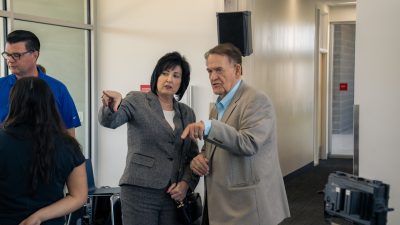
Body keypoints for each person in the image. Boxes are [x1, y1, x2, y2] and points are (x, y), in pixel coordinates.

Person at [182, 43, 290, 225]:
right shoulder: (217, 107)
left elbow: (248, 143)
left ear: (237, 69)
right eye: (209, 71)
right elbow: (214, 148)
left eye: (218, 70)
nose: (213, 77)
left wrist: (208, 127)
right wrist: (199, 159)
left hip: (248, 208)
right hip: (222, 205)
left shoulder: (256, 100)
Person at [98, 52, 199, 225]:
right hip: (139, 190)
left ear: (182, 82)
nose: (169, 79)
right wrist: (111, 106)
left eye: (176, 76)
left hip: (173, 195)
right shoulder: (137, 100)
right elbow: (111, 121)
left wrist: (185, 184)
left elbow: (192, 156)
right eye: (165, 73)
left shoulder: (187, 112)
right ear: (156, 75)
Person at [0, 77, 88, 225]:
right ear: (49, 103)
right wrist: (39, 217)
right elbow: (79, 196)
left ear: (13, 103)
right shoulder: (68, 146)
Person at [0, 30, 81, 137]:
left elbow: (69, 132)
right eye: (7, 55)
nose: (10, 60)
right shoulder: (1, 86)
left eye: (16, 55)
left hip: (48, 152)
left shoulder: (58, 88)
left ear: (35, 55)